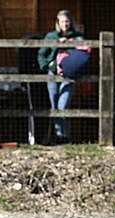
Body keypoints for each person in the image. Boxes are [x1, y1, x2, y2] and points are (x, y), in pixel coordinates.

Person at [37, 10, 85, 144]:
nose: (65, 24)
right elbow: (41, 53)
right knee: (53, 104)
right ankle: (57, 136)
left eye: (67, 21)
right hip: (53, 73)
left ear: (71, 22)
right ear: (58, 23)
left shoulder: (77, 36)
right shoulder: (51, 36)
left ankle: (64, 136)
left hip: (69, 74)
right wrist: (46, 65)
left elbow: (83, 52)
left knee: (63, 105)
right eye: (62, 21)